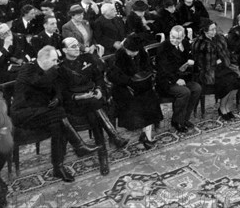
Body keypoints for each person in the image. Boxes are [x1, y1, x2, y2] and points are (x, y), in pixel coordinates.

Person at [11, 46, 99, 182]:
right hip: (23, 113)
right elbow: (38, 82)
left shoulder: (51, 70)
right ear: (44, 60)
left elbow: (58, 89)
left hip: (43, 113)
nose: (56, 63)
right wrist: (54, 70)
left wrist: (57, 98)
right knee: (59, 113)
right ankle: (78, 145)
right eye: (53, 60)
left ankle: (58, 168)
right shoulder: (28, 68)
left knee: (58, 124)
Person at [58, 38, 128, 176]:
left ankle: (104, 155)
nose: (77, 48)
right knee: (95, 106)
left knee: (93, 110)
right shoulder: (62, 68)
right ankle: (113, 138)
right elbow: (63, 92)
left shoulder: (87, 58)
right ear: (65, 50)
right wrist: (78, 97)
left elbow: (98, 77)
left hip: (93, 97)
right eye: (73, 47)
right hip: (76, 102)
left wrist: (99, 89)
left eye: (77, 46)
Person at [107, 34, 163, 147]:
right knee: (140, 103)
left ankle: (146, 135)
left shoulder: (142, 52)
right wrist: (131, 80)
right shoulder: (118, 56)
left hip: (141, 85)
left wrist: (142, 78)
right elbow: (113, 77)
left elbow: (148, 68)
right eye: (130, 51)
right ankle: (145, 135)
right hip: (124, 88)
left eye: (135, 51)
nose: (133, 53)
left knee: (151, 99)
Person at [192, 18, 240, 121]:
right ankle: (222, 108)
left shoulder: (219, 38)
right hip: (209, 71)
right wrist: (216, 62)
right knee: (227, 83)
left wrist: (224, 61)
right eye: (212, 30)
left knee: (236, 80)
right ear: (205, 31)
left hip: (223, 67)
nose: (215, 31)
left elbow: (227, 53)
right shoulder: (199, 43)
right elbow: (200, 63)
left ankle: (227, 106)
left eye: (215, 28)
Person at [156, 25, 201, 133]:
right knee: (184, 92)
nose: (175, 40)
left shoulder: (185, 43)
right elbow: (163, 69)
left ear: (183, 37)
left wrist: (191, 60)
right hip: (167, 81)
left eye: (178, 38)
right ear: (170, 34)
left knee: (197, 88)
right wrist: (176, 79)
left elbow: (191, 54)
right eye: (173, 37)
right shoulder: (163, 47)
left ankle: (185, 119)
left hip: (183, 77)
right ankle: (177, 121)